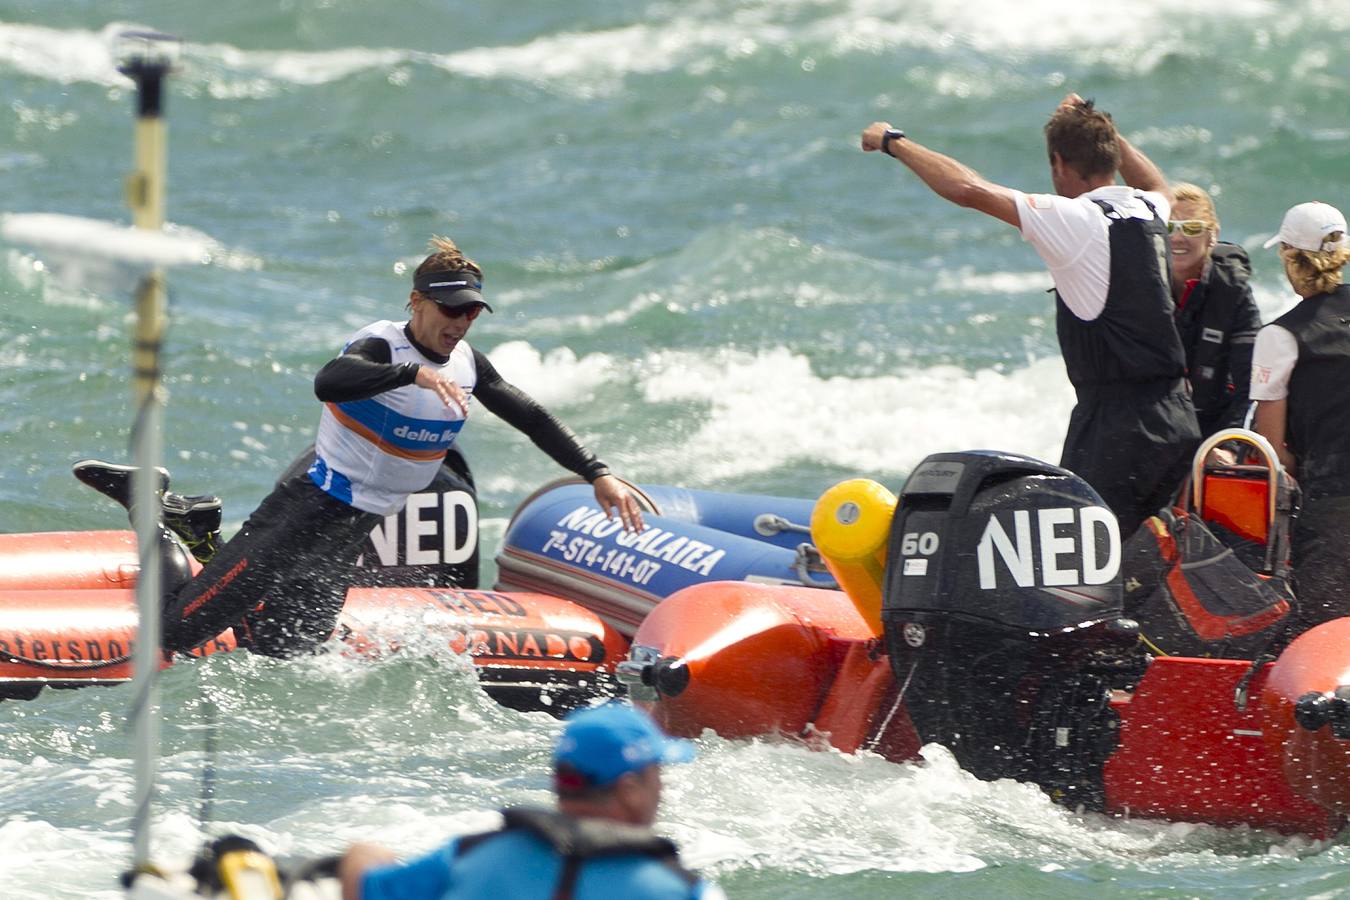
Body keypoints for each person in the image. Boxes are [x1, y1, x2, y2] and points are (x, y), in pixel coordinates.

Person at [76, 236, 645, 657]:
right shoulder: (381, 345)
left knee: (283, 647)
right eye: (451, 309)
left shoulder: (469, 364)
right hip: (307, 510)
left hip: (352, 528)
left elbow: (532, 416)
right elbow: (330, 381)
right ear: (417, 302)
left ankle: (199, 529)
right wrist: (409, 377)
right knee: (175, 632)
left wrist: (596, 472)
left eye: (472, 310)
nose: (461, 322)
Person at [861, 94, 1200, 536]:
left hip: (1118, 429)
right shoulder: (1147, 207)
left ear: (1058, 162)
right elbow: (1157, 183)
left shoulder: (1074, 218)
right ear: (1111, 156)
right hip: (1176, 415)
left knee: (1087, 555)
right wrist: (1106, 131)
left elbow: (967, 189)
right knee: (1154, 552)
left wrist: (893, 142)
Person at [338, 703, 723, 900]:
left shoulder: (469, 858)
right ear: (629, 789)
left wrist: (363, 852)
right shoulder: (682, 891)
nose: (663, 788)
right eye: (658, 774)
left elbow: (364, 886)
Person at [1250, 201, 1350, 631]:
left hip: (1333, 504)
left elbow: (1274, 452)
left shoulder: (1280, 336)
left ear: (1292, 257)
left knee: (1322, 635)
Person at [1167, 183, 1263, 438]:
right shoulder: (1141, 289)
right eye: (1169, 227)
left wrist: (1227, 446)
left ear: (1212, 234)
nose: (1177, 237)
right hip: (1155, 431)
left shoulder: (1233, 291)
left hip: (1214, 429)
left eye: (1191, 228)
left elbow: (1251, 391)